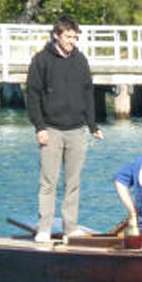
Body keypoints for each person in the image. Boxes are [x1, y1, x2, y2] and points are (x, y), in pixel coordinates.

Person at [26, 14, 104, 242]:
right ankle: (44, 228)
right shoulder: (41, 60)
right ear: (56, 35)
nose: (72, 41)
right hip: (51, 129)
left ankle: (70, 227)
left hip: (77, 129)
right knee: (48, 182)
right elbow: (32, 95)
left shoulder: (80, 60)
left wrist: (92, 125)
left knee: (73, 182)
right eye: (68, 36)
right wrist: (39, 127)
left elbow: (88, 93)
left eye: (75, 37)